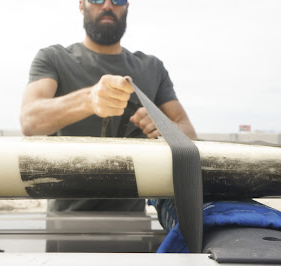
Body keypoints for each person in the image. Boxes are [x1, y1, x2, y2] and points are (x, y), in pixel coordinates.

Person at [20, 0, 196, 212]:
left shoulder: (153, 68)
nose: (107, 5)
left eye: (118, 0)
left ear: (127, 6)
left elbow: (188, 131)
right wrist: (89, 99)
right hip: (65, 221)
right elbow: (30, 121)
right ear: (81, 5)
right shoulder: (53, 58)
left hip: (133, 225)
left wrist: (162, 125)